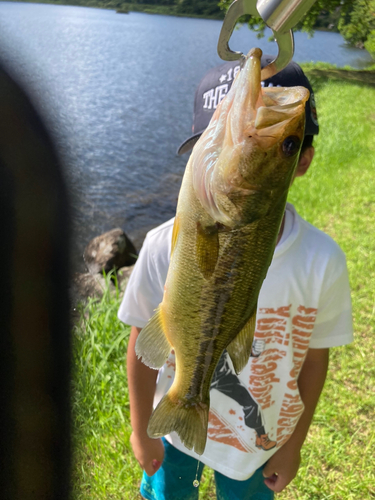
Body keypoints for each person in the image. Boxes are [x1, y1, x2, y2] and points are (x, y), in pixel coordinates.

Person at [118, 55, 353, 500]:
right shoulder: (158, 246)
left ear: (302, 162)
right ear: (197, 151)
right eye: (215, 136)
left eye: (284, 146)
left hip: (259, 445)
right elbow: (141, 342)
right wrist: (140, 429)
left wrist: (295, 445)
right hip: (170, 435)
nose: (242, 137)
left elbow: (316, 359)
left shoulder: (324, 262)